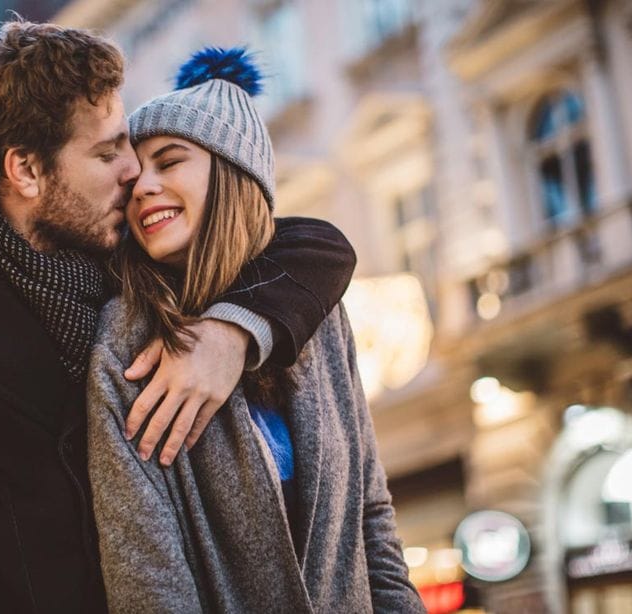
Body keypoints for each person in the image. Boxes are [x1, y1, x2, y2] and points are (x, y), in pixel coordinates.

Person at [0, 20, 357, 614]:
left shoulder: (126, 256)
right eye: (106, 152)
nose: (133, 171)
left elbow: (309, 245)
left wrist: (232, 332)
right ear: (25, 170)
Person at [87, 48, 425, 613]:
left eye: (169, 162)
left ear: (234, 174)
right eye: (136, 173)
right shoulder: (126, 343)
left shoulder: (316, 318)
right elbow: (146, 576)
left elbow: (370, 516)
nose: (142, 186)